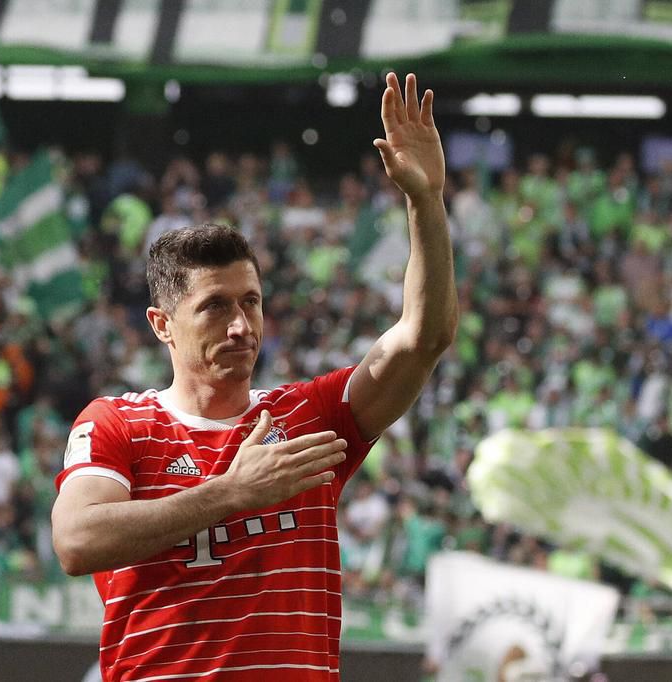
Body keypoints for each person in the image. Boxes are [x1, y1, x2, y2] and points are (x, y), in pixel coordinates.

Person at [51, 72, 457, 681]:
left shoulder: (310, 418)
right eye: (215, 307)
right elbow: (77, 540)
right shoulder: (119, 423)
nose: (241, 326)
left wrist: (425, 203)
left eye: (251, 302)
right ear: (162, 325)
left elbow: (425, 337)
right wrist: (231, 493)